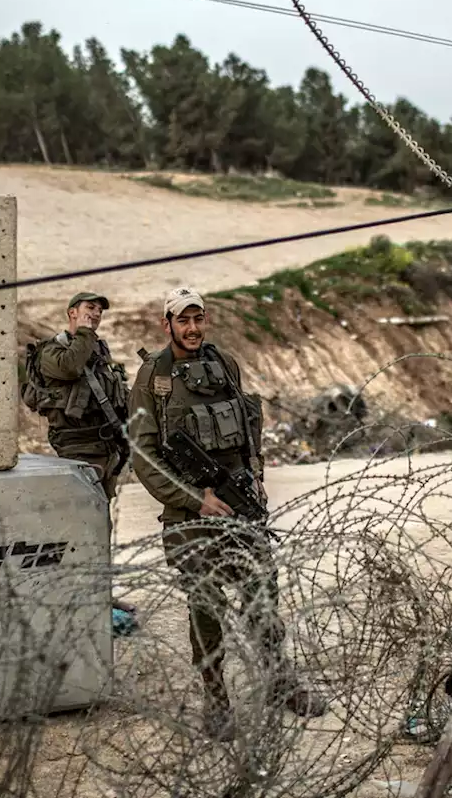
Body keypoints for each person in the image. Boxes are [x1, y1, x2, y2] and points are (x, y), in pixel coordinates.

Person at [126, 286, 327, 741]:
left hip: (239, 505)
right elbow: (143, 455)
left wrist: (255, 474)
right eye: (183, 320)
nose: (192, 328)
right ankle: (216, 700)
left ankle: (280, 683)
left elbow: (249, 428)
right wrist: (195, 500)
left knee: (262, 599)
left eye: (198, 319)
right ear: (167, 325)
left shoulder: (225, 364)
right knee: (207, 609)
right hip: (191, 515)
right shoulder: (152, 378)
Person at [24, 291, 132, 500]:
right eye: (90, 308)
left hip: (106, 447)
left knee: (102, 518)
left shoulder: (96, 351)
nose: (96, 314)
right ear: (72, 313)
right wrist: (84, 332)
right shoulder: (51, 351)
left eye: (99, 310)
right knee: (85, 514)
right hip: (78, 449)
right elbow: (71, 367)